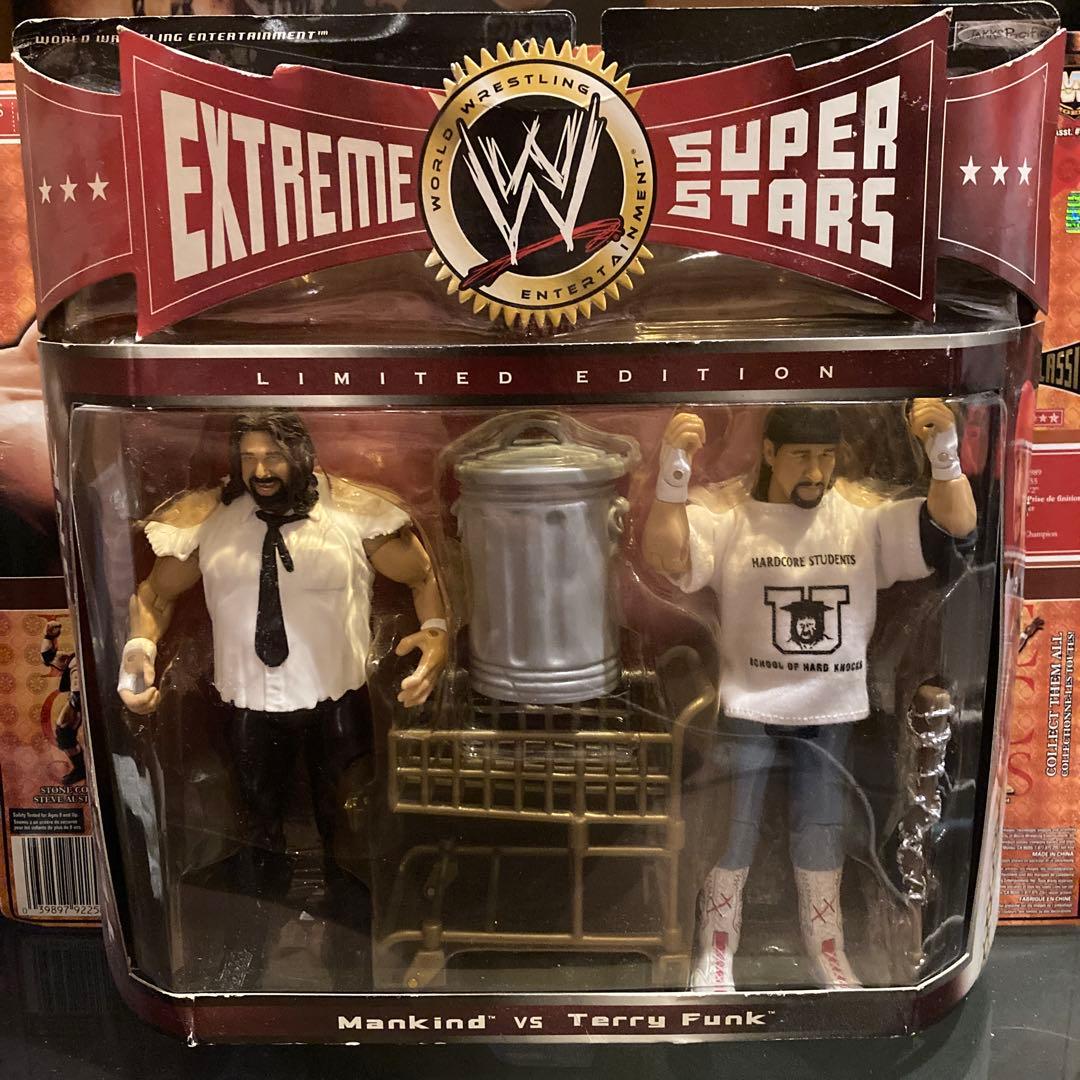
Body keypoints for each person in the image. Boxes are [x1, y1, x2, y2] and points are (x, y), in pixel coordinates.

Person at [642, 401, 977, 992]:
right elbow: (666, 555)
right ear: (770, 453)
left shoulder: (860, 522)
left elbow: (956, 527)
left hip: (831, 708)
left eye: (825, 456)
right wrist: (672, 472)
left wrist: (945, 456)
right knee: (731, 827)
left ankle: (827, 946)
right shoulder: (733, 521)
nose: (816, 472)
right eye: (801, 456)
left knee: (822, 827)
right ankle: (716, 945)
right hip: (747, 707)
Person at [116, 409, 448, 924]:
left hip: (338, 701)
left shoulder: (355, 514)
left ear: (301, 454)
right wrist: (139, 650)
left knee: (349, 820)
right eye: (248, 457)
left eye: (273, 456)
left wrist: (436, 636)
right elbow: (155, 595)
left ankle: (354, 920)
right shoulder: (208, 520)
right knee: (253, 821)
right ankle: (259, 921)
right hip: (246, 702)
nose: (260, 470)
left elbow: (423, 577)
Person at [40, 619, 85, 787]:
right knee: (64, 732)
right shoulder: (72, 659)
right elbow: (48, 657)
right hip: (76, 700)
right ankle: (80, 767)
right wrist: (49, 637)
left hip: (97, 702)